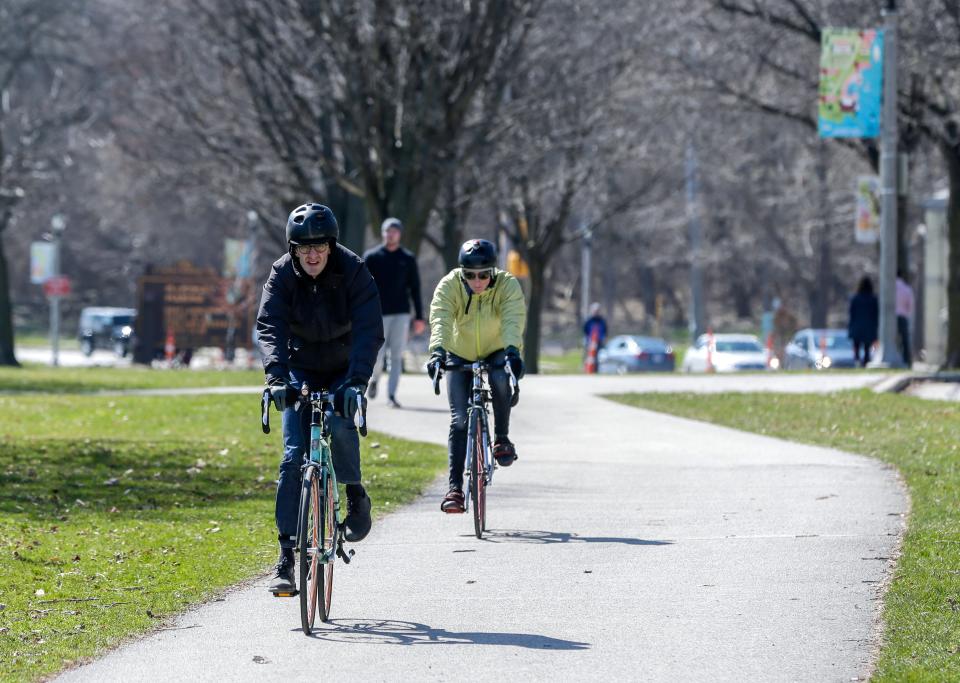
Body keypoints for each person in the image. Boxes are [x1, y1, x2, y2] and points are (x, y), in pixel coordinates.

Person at [256, 202, 384, 595]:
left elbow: (369, 328)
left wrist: (357, 381)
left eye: (319, 246)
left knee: (343, 426)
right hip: (299, 367)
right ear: (293, 249)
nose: (312, 254)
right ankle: (286, 556)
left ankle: (354, 493)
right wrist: (276, 376)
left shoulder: (353, 270)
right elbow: (269, 326)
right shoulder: (281, 274)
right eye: (303, 247)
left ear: (331, 246)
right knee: (293, 458)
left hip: (345, 366)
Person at [426, 239, 526, 514]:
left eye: (484, 274)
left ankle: (502, 438)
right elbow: (441, 318)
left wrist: (512, 352)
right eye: (470, 275)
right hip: (459, 352)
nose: (477, 280)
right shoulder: (450, 285)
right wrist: (437, 352)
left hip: (497, 349)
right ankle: (455, 489)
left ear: (493, 272)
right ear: (462, 273)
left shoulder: (507, 285)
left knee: (500, 381)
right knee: (459, 420)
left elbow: (512, 319)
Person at [363, 217, 425, 408]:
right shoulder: (372, 257)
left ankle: (391, 395)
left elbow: (415, 288)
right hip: (377, 314)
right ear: (382, 233)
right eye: (387, 231)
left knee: (397, 355)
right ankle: (374, 379)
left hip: (401, 313)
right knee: (378, 355)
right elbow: (363, 287)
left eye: (394, 231)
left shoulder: (407, 259)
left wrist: (419, 317)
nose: (391, 235)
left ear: (399, 234)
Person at [848, 275, 879, 367]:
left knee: (856, 345)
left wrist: (851, 326)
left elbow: (851, 313)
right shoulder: (873, 299)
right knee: (867, 347)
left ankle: (857, 361)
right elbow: (876, 314)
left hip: (857, 326)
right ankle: (865, 362)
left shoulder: (855, 298)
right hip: (869, 327)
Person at [896, 269, 915, 367]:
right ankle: (907, 361)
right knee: (905, 340)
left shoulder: (888, 288)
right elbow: (910, 305)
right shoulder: (906, 288)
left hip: (890, 319)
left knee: (892, 341)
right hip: (903, 317)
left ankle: (896, 359)